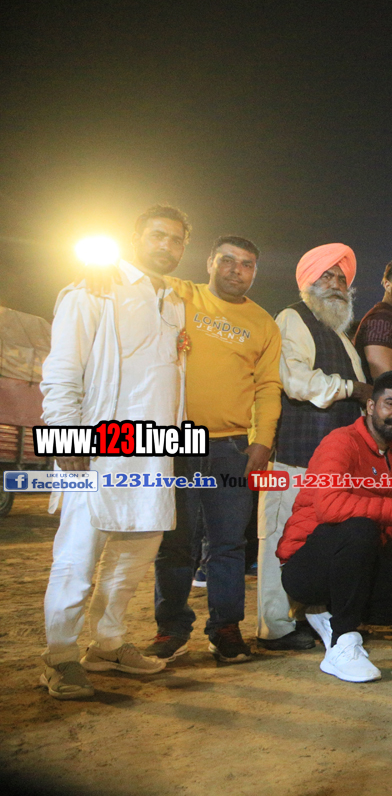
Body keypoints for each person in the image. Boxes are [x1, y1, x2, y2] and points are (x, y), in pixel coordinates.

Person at [39, 204, 192, 698]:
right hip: (96, 446)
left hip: (153, 452)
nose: (167, 246)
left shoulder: (174, 302)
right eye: (158, 235)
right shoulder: (93, 289)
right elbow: (62, 368)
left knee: (133, 557)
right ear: (135, 237)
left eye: (176, 239)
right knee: (78, 557)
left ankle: (107, 645)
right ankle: (59, 656)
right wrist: (65, 433)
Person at [147, 235, 282, 664]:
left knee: (228, 544)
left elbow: (268, 386)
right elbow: (135, 278)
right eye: (227, 260)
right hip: (176, 440)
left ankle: (225, 628)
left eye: (246, 264)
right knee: (175, 540)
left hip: (232, 445)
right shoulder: (181, 295)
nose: (235, 270)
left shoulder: (263, 323)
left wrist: (262, 441)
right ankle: (171, 629)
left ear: (254, 272)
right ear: (209, 262)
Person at [278, 371, 392, 681]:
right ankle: (342, 643)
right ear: (371, 407)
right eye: (390, 404)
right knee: (360, 528)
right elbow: (331, 506)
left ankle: (327, 612)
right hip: (307, 567)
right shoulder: (341, 441)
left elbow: (384, 518)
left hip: (356, 564)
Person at [257, 243, 370, 652]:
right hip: (295, 458)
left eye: (341, 278)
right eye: (327, 276)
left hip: (331, 466)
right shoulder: (292, 318)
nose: (336, 284)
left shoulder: (339, 334)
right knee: (279, 539)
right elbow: (297, 382)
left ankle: (305, 616)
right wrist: (354, 388)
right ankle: (274, 628)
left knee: (315, 543)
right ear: (307, 282)